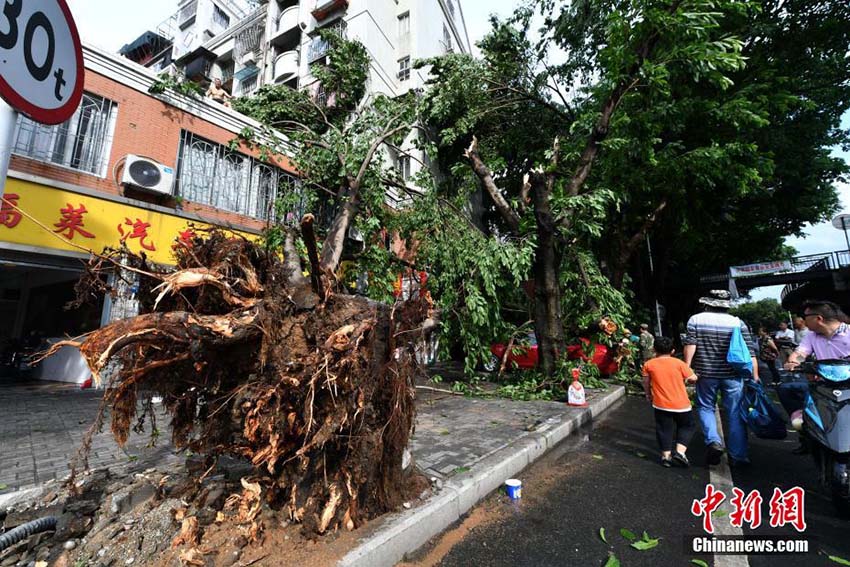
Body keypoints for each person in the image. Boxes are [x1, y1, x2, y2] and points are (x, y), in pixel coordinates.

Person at [683, 290, 759, 468]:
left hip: (706, 374)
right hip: (733, 375)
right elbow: (750, 352)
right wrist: (755, 376)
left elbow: (690, 345)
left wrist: (687, 369)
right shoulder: (737, 322)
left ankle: (713, 441)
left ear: (708, 303)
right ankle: (738, 456)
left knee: (705, 407)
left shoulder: (696, 319)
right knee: (734, 413)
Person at [781, 300, 850, 453]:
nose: (803, 320)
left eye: (805, 316)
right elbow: (800, 353)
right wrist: (793, 361)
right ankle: (803, 428)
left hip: (848, 386)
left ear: (818, 318)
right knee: (786, 389)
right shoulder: (811, 336)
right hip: (821, 386)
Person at [642, 336, 697, 468]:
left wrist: (648, 394)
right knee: (687, 426)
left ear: (654, 349)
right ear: (672, 351)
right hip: (681, 404)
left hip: (661, 404)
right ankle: (680, 452)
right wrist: (690, 379)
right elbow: (693, 378)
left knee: (664, 429)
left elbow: (645, 382)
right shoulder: (679, 363)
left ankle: (666, 457)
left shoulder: (649, 364)